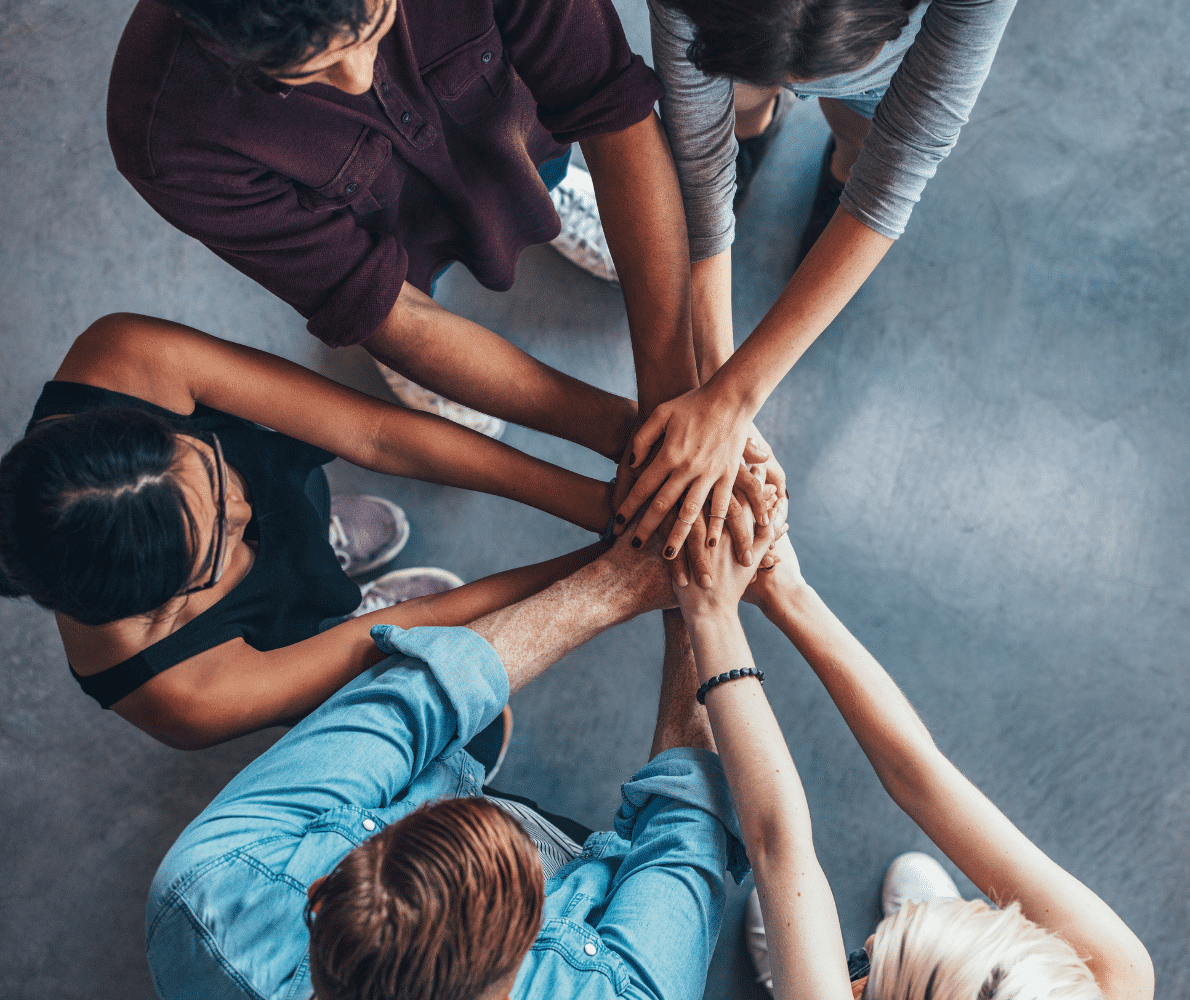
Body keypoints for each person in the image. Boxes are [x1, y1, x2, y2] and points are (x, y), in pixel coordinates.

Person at [0, 313, 769, 750]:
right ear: (162, 609)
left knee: (296, 508)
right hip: (273, 639)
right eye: (218, 547)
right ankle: (332, 606)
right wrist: (622, 564)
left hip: (211, 530)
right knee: (386, 657)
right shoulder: (180, 694)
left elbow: (377, 435)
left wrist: (610, 505)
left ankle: (317, 545)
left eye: (209, 464)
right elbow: (424, 623)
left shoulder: (126, 359)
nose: (243, 505)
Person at [145, 515, 774, 1000]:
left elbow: (408, 704)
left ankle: (453, 760)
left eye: (391, 825)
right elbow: (684, 834)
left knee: (429, 726)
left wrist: (617, 583)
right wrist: (701, 607)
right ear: (506, 982)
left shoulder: (208, 888)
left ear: (321, 891)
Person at [106, 0, 711, 462]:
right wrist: (632, 438)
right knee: (393, 304)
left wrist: (673, 399)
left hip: (515, 137)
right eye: (307, 72)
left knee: (538, 175)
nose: (361, 77)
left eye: (375, 26)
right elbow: (387, 307)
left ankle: (544, 194)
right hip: (386, 250)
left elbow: (609, 112)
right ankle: (406, 362)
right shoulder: (168, 137)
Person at [608, 0, 1015, 562]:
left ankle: (836, 161)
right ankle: (753, 128)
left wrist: (732, 403)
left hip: (878, 81)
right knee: (739, 104)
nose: (801, 88)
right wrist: (721, 396)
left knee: (863, 141)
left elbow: (898, 167)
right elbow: (699, 162)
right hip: (745, 53)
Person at [671, 530, 1156, 1000]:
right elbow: (918, 775)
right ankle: (890, 960)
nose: (871, 941)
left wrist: (710, 613)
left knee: (802, 942)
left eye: (872, 971)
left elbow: (776, 843)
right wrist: (785, 589)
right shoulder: (1116, 975)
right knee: (821, 929)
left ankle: (803, 976)